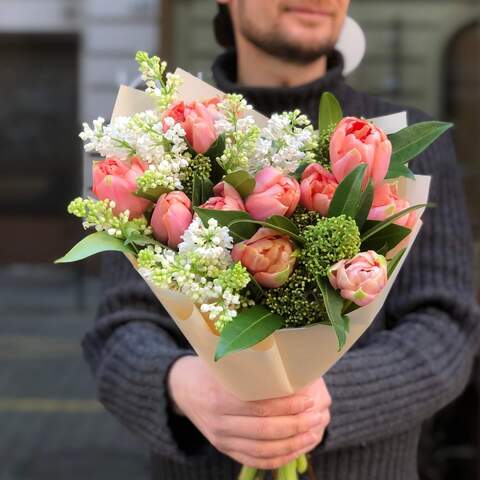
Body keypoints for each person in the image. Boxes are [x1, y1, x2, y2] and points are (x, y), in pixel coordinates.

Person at [82, 1, 480, 479]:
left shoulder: (402, 145)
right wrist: (181, 386)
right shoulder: (163, 141)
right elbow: (119, 331)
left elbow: (447, 327)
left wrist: (326, 401)